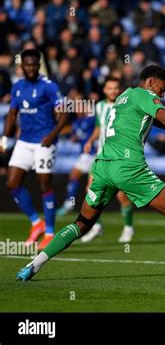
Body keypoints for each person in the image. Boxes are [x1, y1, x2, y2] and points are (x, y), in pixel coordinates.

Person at [16, 65, 165, 283]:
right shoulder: (145, 95)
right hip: (129, 167)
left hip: (103, 167)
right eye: (161, 89)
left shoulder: (124, 97)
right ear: (150, 82)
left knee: (81, 223)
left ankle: (32, 266)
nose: (162, 95)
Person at [0, 49, 68, 250]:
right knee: (12, 183)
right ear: (21, 66)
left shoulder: (49, 86)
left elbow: (64, 114)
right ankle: (36, 223)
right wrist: (4, 138)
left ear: (38, 65)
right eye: (26, 65)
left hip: (44, 142)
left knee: (44, 184)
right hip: (24, 141)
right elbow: (12, 115)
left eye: (34, 65)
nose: (30, 68)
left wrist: (52, 135)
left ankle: (49, 232)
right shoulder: (18, 86)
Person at [59, 76, 136, 243]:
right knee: (91, 191)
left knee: (122, 196)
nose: (113, 91)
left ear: (120, 89)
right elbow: (99, 128)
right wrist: (90, 140)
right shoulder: (100, 106)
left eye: (116, 88)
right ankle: (96, 226)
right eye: (109, 88)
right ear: (104, 90)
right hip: (100, 156)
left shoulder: (126, 105)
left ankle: (129, 227)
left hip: (119, 157)